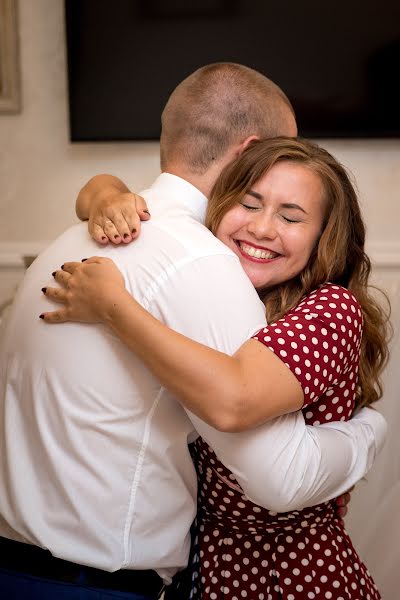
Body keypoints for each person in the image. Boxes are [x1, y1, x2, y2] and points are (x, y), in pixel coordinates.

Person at [0, 64, 386, 600]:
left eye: (292, 215)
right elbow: (278, 472)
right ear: (249, 152)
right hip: (101, 581)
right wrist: (366, 436)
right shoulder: (199, 262)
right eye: (253, 197)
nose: (262, 225)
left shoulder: (78, 237)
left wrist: (368, 430)